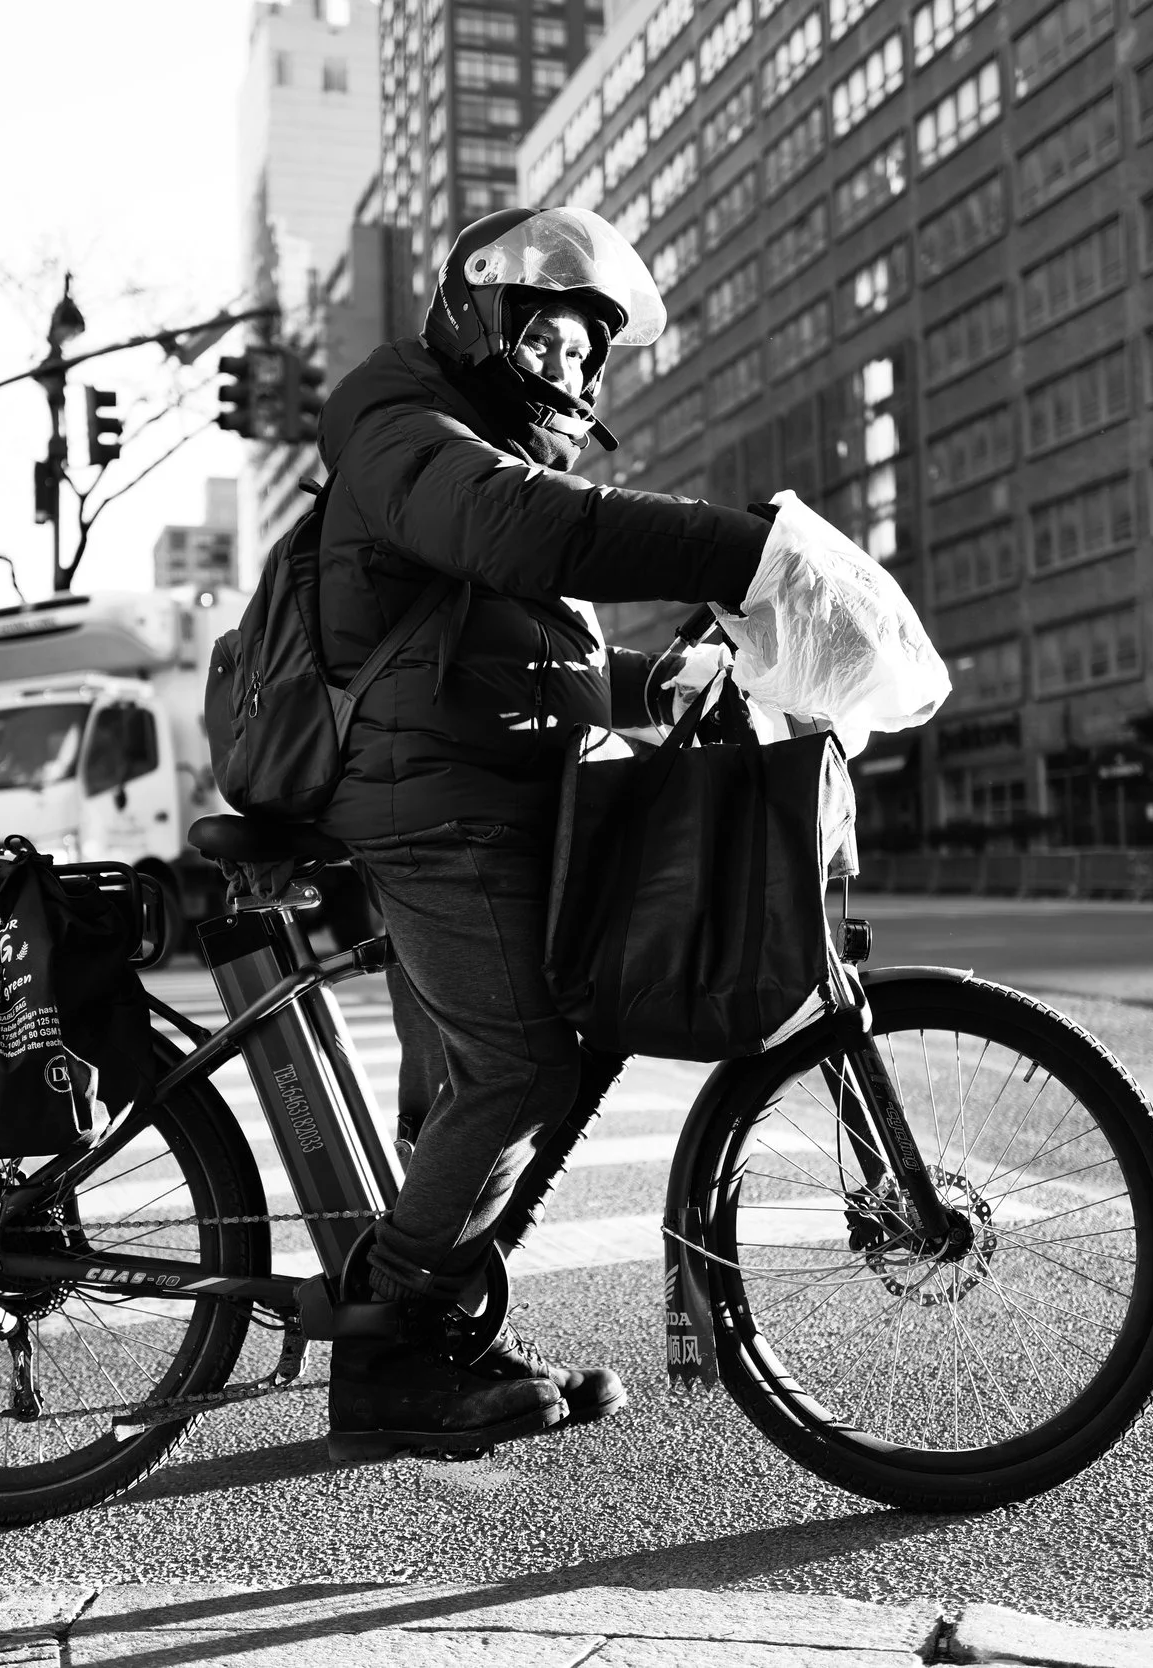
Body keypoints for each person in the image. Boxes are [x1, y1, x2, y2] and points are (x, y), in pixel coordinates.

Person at [308, 205, 775, 1461]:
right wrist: (745, 551)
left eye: (588, 350)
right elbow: (523, 530)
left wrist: (645, 690)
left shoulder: (486, 450)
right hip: (429, 800)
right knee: (520, 1070)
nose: (570, 366)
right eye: (551, 335)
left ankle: (448, 1330)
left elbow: (530, 660)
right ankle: (387, 1354)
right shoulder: (401, 425)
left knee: (497, 1067)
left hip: (481, 784)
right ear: (483, 314)